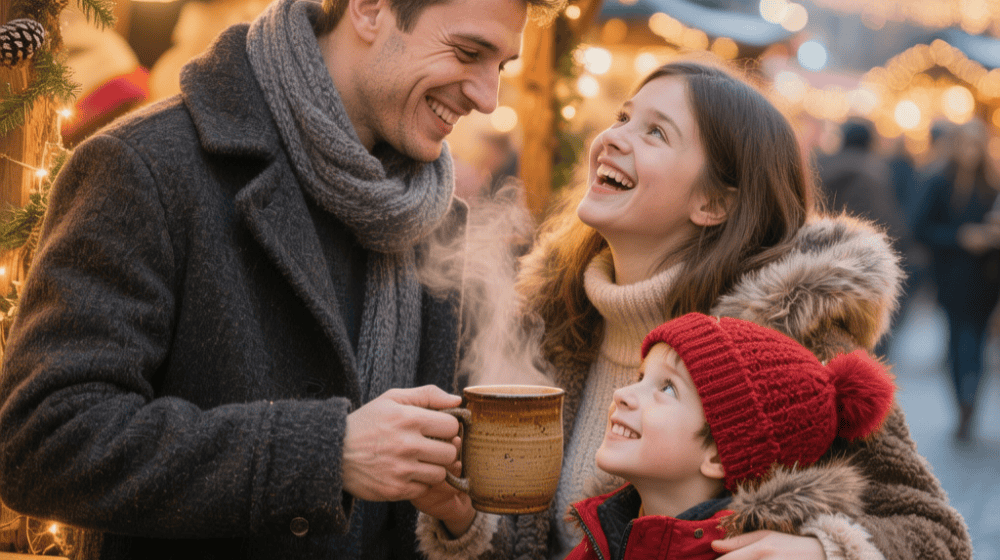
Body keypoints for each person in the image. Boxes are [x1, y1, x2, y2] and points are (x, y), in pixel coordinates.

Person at [0, 0, 562, 559]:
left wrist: (459, 520)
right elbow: (40, 441)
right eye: (466, 52)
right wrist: (327, 454)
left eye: (500, 66)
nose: (488, 97)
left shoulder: (443, 227)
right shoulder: (145, 166)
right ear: (370, 10)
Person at [415, 60, 972, 560]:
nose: (611, 138)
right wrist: (464, 521)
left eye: (655, 132)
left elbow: (937, 535)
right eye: (623, 117)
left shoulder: (788, 352)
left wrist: (822, 551)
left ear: (713, 202)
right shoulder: (544, 320)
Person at [565, 312, 897, 560]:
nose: (622, 393)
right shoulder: (602, 536)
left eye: (667, 388)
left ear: (718, 455)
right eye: (640, 377)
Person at [912, 118, 1000, 440]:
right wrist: (960, 237)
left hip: (986, 279)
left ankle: (970, 402)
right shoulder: (939, 183)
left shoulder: (992, 185)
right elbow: (920, 228)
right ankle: (961, 402)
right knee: (956, 340)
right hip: (951, 278)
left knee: (976, 342)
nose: (971, 152)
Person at [814, 118, 914, 357]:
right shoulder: (875, 173)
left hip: (822, 260)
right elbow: (888, 222)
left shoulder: (821, 168)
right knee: (870, 338)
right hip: (865, 264)